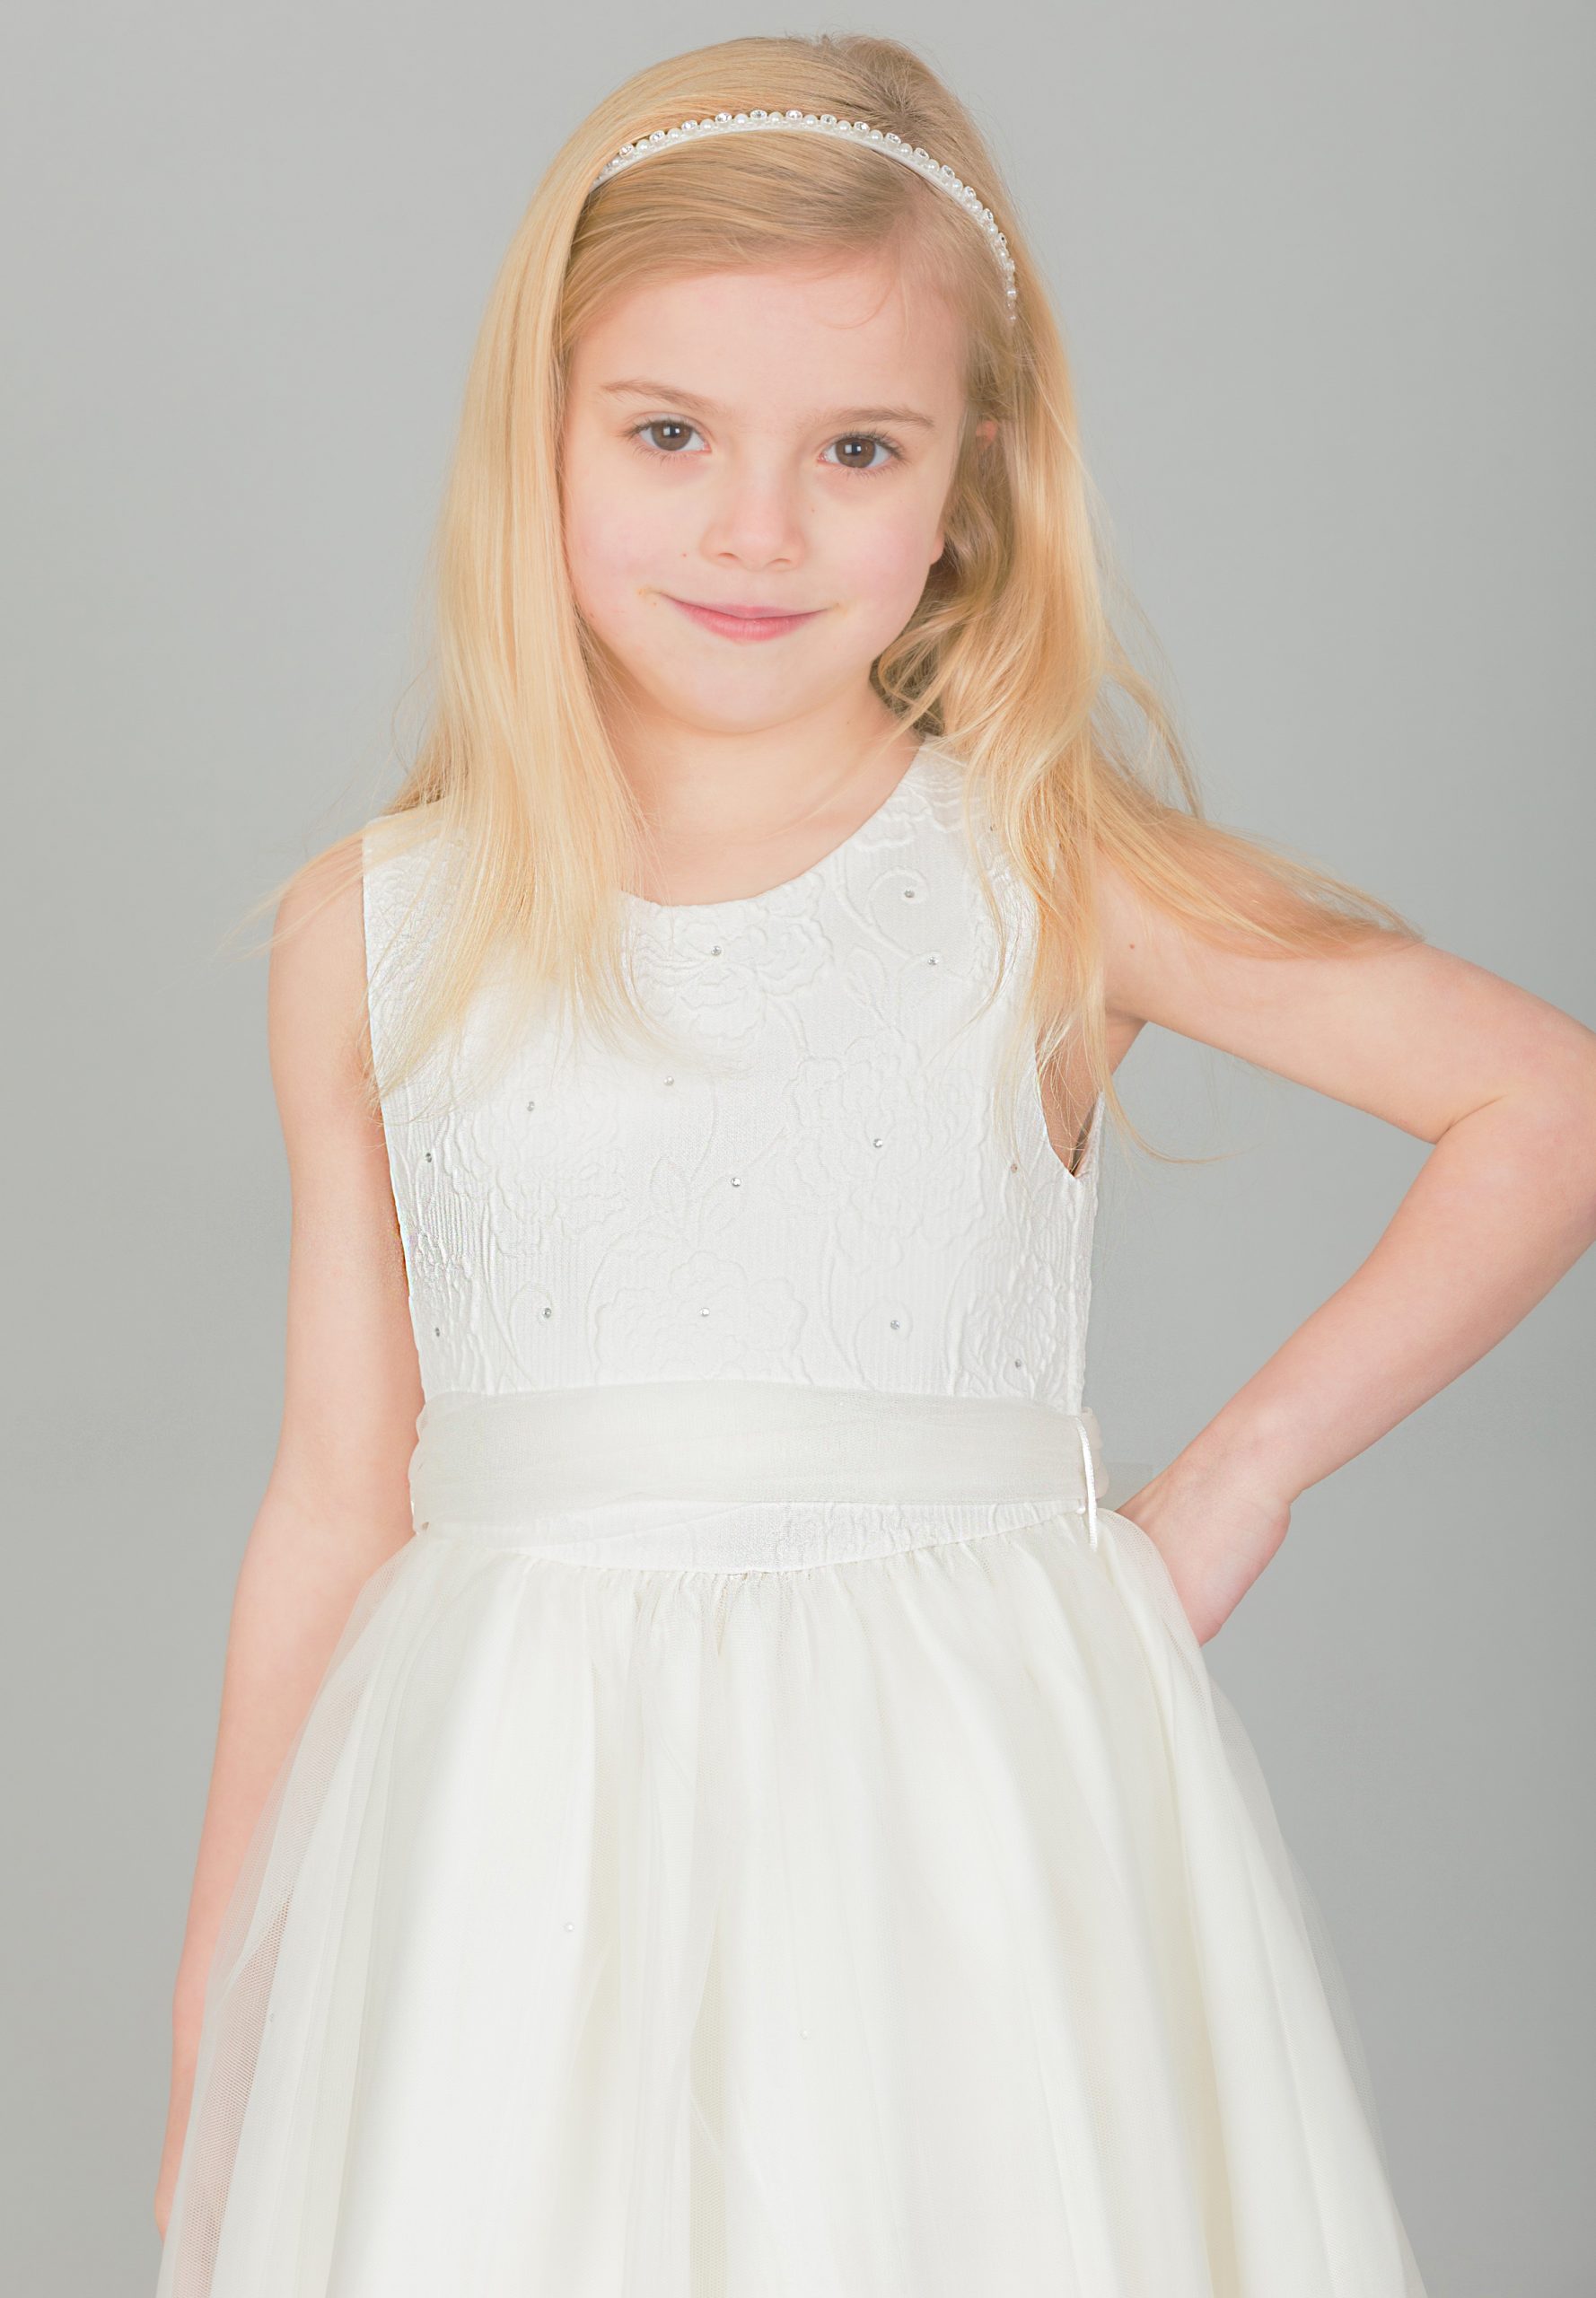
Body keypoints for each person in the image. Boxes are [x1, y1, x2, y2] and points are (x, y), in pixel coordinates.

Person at [152, 31, 1595, 2296]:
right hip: (515, 1820)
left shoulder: (1046, 869)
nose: (758, 527)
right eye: (668, 434)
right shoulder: (381, 925)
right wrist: (221, 2018)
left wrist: (1238, 1475)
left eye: (854, 448)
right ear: (539, 433)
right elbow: (339, 1493)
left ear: (969, 481)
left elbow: (1541, 1102)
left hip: (960, 1809)